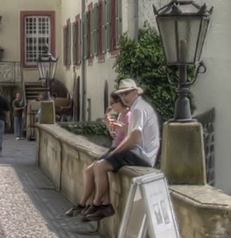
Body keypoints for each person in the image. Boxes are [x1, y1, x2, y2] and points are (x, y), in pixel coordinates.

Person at [68, 78, 161, 221]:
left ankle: (98, 205)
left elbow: (133, 137)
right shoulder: (140, 107)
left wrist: (115, 152)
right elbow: (131, 136)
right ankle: (99, 205)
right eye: (122, 94)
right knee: (99, 166)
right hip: (142, 152)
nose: (124, 97)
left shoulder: (137, 109)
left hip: (141, 154)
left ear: (136, 92)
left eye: (126, 94)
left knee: (101, 166)